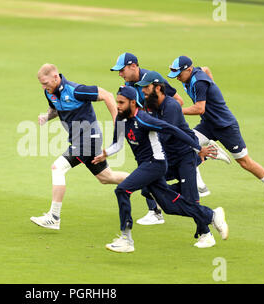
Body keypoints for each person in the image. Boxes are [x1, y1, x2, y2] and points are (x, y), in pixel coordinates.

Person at [93, 86, 228, 252]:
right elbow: (118, 143)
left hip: (155, 164)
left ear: (133, 103)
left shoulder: (143, 119)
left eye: (121, 102)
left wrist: (197, 148)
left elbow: (172, 129)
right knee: (169, 206)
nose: (117, 105)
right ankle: (211, 215)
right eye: (117, 102)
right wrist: (105, 153)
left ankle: (126, 239)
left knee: (122, 190)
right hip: (146, 165)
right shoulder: (121, 120)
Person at [110, 53, 229, 224]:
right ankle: (159, 209)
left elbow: (176, 102)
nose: (120, 74)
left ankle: (198, 162)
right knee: (150, 184)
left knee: (159, 183)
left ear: (133, 66)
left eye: (122, 70)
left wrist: (161, 118)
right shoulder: (128, 85)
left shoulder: (153, 81)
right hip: (152, 136)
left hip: (169, 143)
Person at [167, 55, 264, 210]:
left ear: (189, 70)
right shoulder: (194, 74)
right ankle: (200, 186)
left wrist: (175, 110)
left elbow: (199, 108)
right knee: (186, 144)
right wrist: (214, 85)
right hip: (208, 124)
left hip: (225, 126)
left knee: (244, 162)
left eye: (179, 75)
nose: (177, 78)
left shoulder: (199, 82)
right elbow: (206, 68)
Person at [30, 63, 129, 230]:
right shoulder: (50, 92)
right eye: (41, 83)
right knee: (106, 178)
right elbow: (55, 109)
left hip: (88, 139)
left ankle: (54, 217)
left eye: (45, 83)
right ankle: (149, 183)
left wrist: (116, 120)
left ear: (56, 77)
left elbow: (107, 95)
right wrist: (47, 117)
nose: (43, 87)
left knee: (57, 168)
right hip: (79, 141)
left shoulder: (76, 90)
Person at [134, 71, 218, 225]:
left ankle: (206, 234)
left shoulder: (171, 106)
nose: (143, 91)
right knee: (147, 189)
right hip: (169, 158)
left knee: (191, 201)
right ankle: (191, 184)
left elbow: (165, 135)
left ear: (158, 88)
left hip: (184, 156)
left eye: (146, 87)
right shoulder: (150, 105)